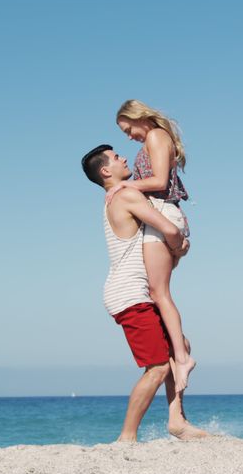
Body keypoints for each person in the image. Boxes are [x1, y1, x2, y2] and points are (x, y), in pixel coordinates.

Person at [81, 144, 209, 442]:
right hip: (129, 295)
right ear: (105, 171)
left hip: (134, 292)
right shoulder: (126, 195)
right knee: (158, 366)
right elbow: (168, 229)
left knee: (182, 346)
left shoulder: (117, 195)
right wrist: (180, 245)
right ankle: (127, 437)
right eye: (116, 158)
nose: (123, 157)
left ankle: (177, 420)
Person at [106, 100, 196, 392]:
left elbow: (158, 180)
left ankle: (181, 358)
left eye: (128, 129)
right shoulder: (154, 139)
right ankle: (178, 357)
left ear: (139, 118)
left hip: (163, 213)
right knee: (158, 294)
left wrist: (124, 186)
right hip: (160, 215)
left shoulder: (157, 136)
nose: (129, 136)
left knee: (160, 292)